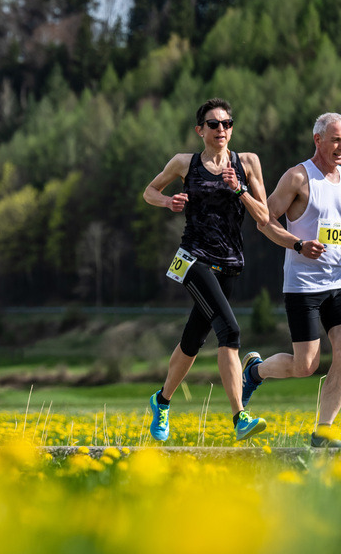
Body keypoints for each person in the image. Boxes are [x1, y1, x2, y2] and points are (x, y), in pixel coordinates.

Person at [143, 98, 270, 442]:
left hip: (229, 262)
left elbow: (264, 216)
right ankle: (239, 417)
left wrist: (239, 189)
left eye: (227, 123)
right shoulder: (185, 163)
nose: (221, 130)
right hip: (193, 258)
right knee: (229, 332)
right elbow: (149, 191)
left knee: (194, 340)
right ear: (200, 130)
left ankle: (162, 401)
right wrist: (169, 201)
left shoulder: (247, 163)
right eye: (213, 124)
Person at [242, 113, 341, 447]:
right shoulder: (298, 178)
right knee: (306, 366)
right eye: (336, 140)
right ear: (318, 140)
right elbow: (263, 220)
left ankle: (323, 432)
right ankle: (255, 371)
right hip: (303, 287)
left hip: (337, 283)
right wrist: (298, 244)